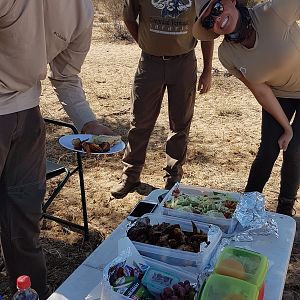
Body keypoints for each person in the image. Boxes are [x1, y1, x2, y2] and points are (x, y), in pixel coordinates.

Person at [0, 0, 114, 298]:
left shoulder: (82, 11)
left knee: (24, 223)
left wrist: (87, 122)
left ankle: (30, 293)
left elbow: (65, 75)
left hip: (28, 118)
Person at [193, 0, 300, 216]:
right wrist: (285, 128)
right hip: (278, 94)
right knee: (268, 150)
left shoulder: (273, 12)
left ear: (231, 1)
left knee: (296, 149)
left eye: (216, 8)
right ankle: (246, 208)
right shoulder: (227, 54)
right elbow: (261, 91)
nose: (216, 19)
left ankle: (284, 209)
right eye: (208, 21)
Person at [111, 0, 214, 199]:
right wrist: (144, 43)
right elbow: (129, 17)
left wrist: (207, 70)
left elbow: (205, 29)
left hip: (183, 63)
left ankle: (173, 178)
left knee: (180, 123)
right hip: (150, 63)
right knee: (139, 120)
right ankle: (130, 176)